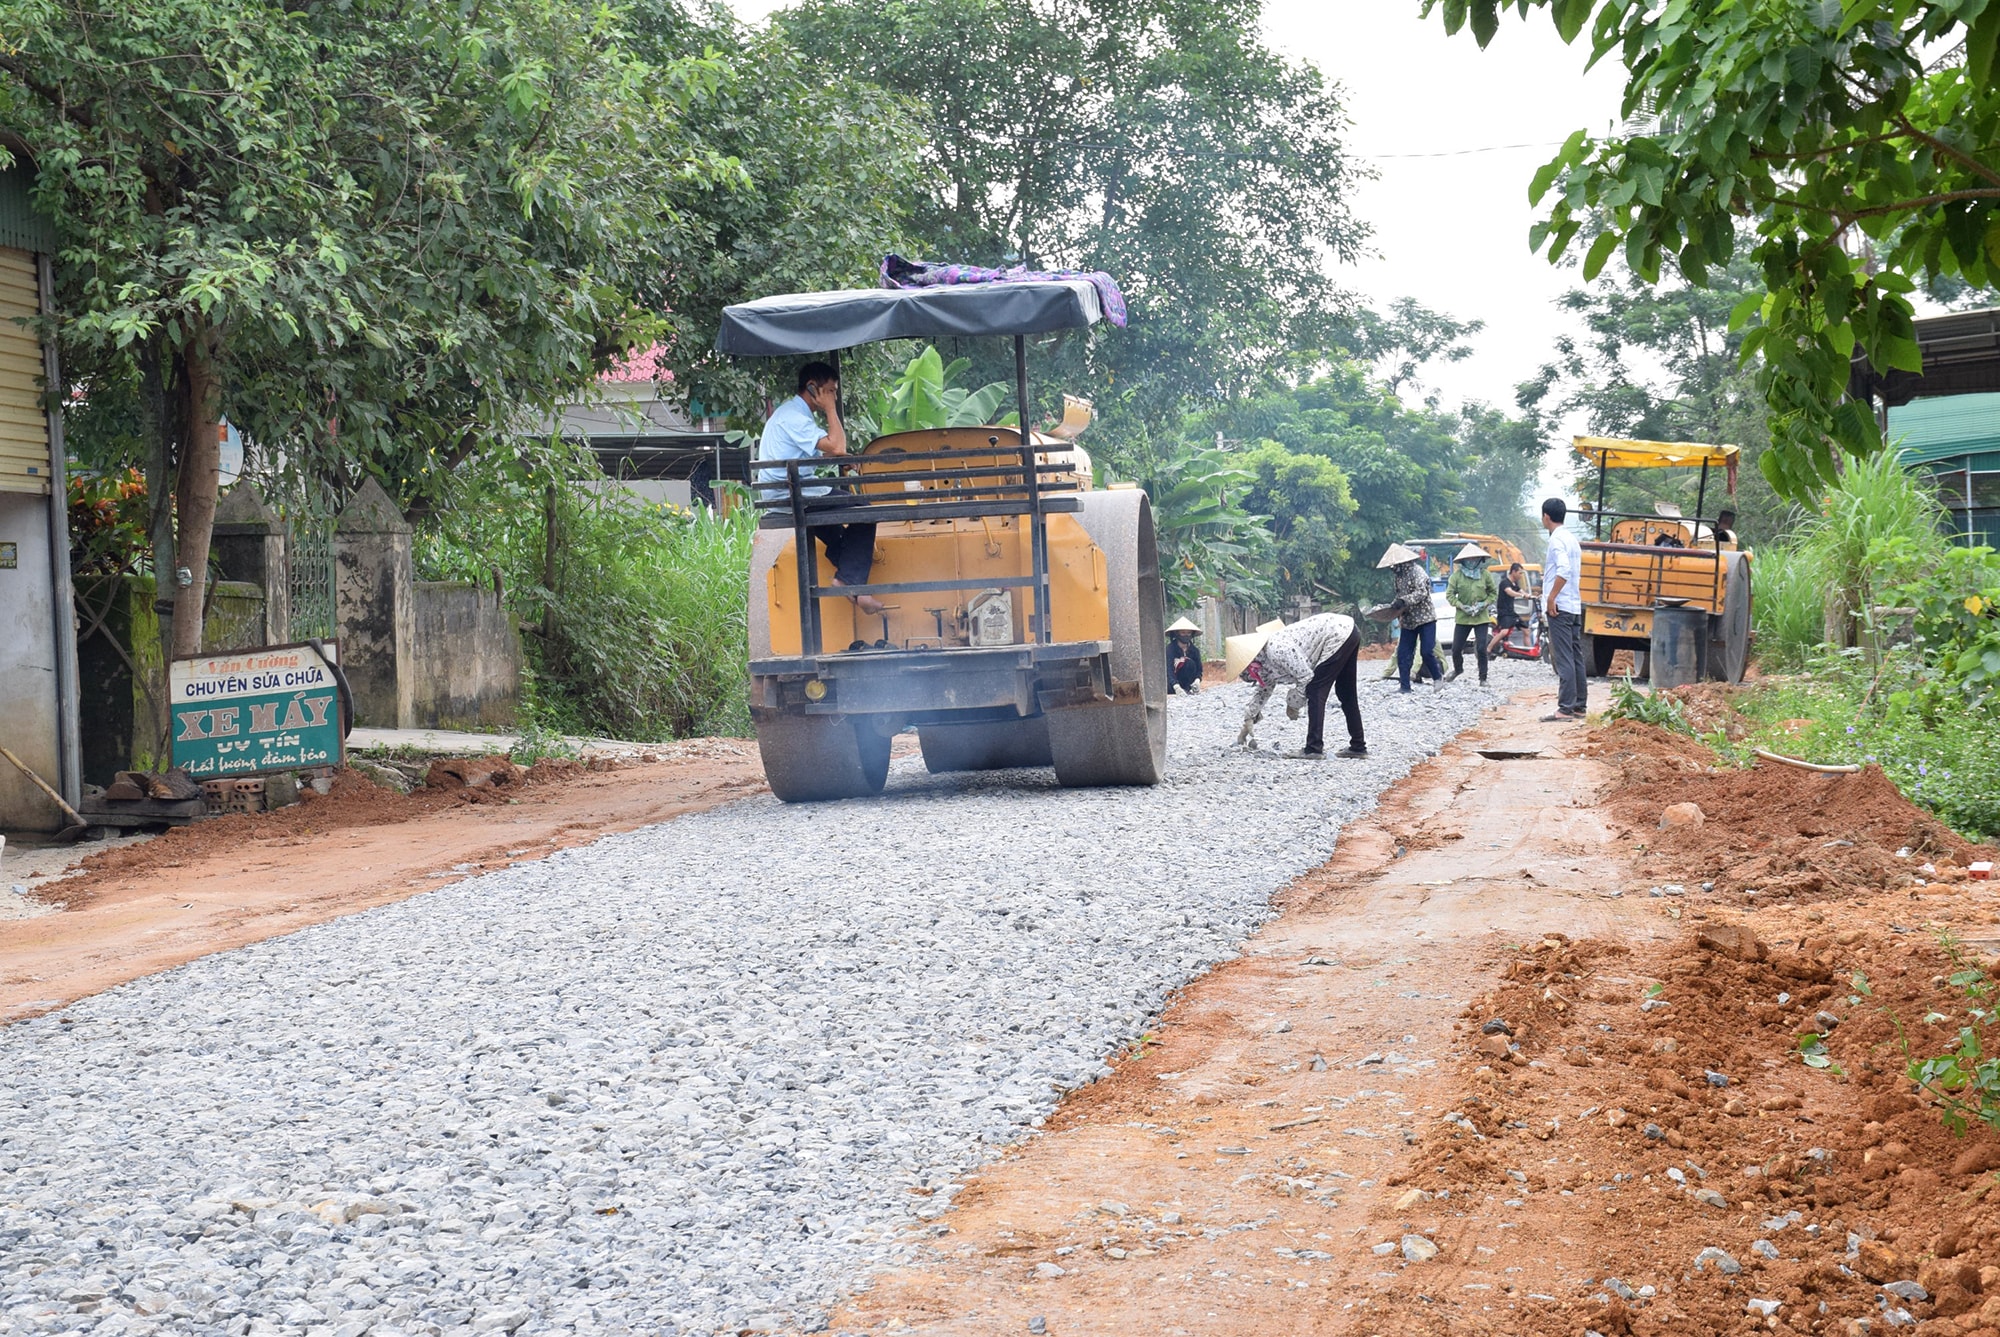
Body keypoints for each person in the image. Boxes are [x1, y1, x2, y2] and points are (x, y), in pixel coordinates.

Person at [756, 361, 882, 615]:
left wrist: (841, 458)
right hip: (791, 492)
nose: (834, 396)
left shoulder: (794, 414)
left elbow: (823, 452)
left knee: (836, 535)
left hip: (791, 488)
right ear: (813, 388)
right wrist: (830, 410)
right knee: (865, 511)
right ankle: (848, 583)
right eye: (831, 391)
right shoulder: (794, 416)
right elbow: (836, 445)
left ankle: (854, 587)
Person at [1228, 614, 1367, 760]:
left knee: (1315, 689)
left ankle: (1313, 748)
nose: (1252, 678)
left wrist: (1293, 703)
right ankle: (1358, 746)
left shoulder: (1276, 649)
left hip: (1336, 633)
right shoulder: (1264, 659)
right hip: (1349, 631)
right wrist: (1250, 716)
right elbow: (1265, 687)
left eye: (1249, 676)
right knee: (1346, 692)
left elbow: (1306, 677)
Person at [1541, 498, 1587, 721]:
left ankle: (1565, 707)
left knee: (1564, 656)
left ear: (1546, 517)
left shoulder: (1556, 540)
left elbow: (1564, 570)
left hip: (1560, 606)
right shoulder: (1572, 539)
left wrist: (1551, 597)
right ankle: (1579, 705)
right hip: (1574, 604)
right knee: (1575, 655)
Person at [1380, 543, 1445, 693]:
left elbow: (1422, 592)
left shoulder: (1418, 572)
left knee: (1426, 651)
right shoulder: (1398, 577)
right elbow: (1399, 596)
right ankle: (1405, 686)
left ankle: (1437, 677)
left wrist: (1404, 601)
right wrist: (1394, 608)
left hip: (1425, 618)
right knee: (1403, 653)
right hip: (1408, 620)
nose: (1393, 567)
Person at [1445, 543, 1498, 685]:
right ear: (1463, 561)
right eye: (1469, 559)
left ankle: (1483, 677)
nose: (1472, 561)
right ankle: (1457, 669)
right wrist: (1461, 605)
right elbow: (1450, 595)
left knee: (1481, 647)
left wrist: (1484, 604)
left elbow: (1493, 593)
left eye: (1475, 559)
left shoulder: (1485, 575)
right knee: (1456, 648)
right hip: (1463, 617)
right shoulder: (1456, 577)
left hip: (1481, 617)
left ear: (1480, 560)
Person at [1488, 561, 1526, 658]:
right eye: (1519, 573)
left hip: (1511, 612)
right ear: (1513, 571)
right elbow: (1510, 592)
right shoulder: (1505, 583)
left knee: (1527, 630)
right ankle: (1488, 649)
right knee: (1504, 631)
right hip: (1504, 612)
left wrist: (1530, 595)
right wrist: (1521, 595)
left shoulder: (1514, 583)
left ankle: (1527, 652)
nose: (1521, 575)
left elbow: (1520, 590)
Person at [1166, 617, 1203, 694]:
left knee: (1189, 663)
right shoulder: (1170, 649)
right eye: (1183, 633)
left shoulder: (1195, 651)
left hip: (1188, 684)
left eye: (1188, 633)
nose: (1186, 635)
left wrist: (1197, 680)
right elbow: (1169, 670)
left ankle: (1189, 688)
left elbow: (1199, 670)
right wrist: (1176, 686)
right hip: (1171, 684)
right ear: (1177, 633)